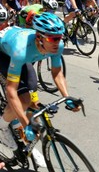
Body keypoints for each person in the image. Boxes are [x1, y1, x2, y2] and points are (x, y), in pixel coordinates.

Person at [0, 12, 80, 152]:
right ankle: (2, 127)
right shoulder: (20, 51)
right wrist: (26, 125)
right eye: (52, 39)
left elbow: (57, 73)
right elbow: (11, 90)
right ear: (39, 37)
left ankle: (25, 141)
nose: (57, 42)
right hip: (5, 54)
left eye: (59, 37)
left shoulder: (58, 46)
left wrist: (66, 97)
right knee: (23, 100)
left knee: (33, 100)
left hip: (26, 54)